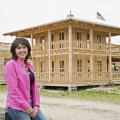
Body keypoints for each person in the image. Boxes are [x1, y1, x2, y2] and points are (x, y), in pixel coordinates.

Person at [3, 37, 47, 120]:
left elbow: (34, 88)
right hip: (16, 106)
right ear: (14, 50)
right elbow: (13, 91)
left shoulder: (29, 66)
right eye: (18, 48)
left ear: (28, 49)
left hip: (31, 104)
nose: (22, 50)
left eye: (24, 47)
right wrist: (27, 107)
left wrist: (37, 105)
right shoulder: (10, 65)